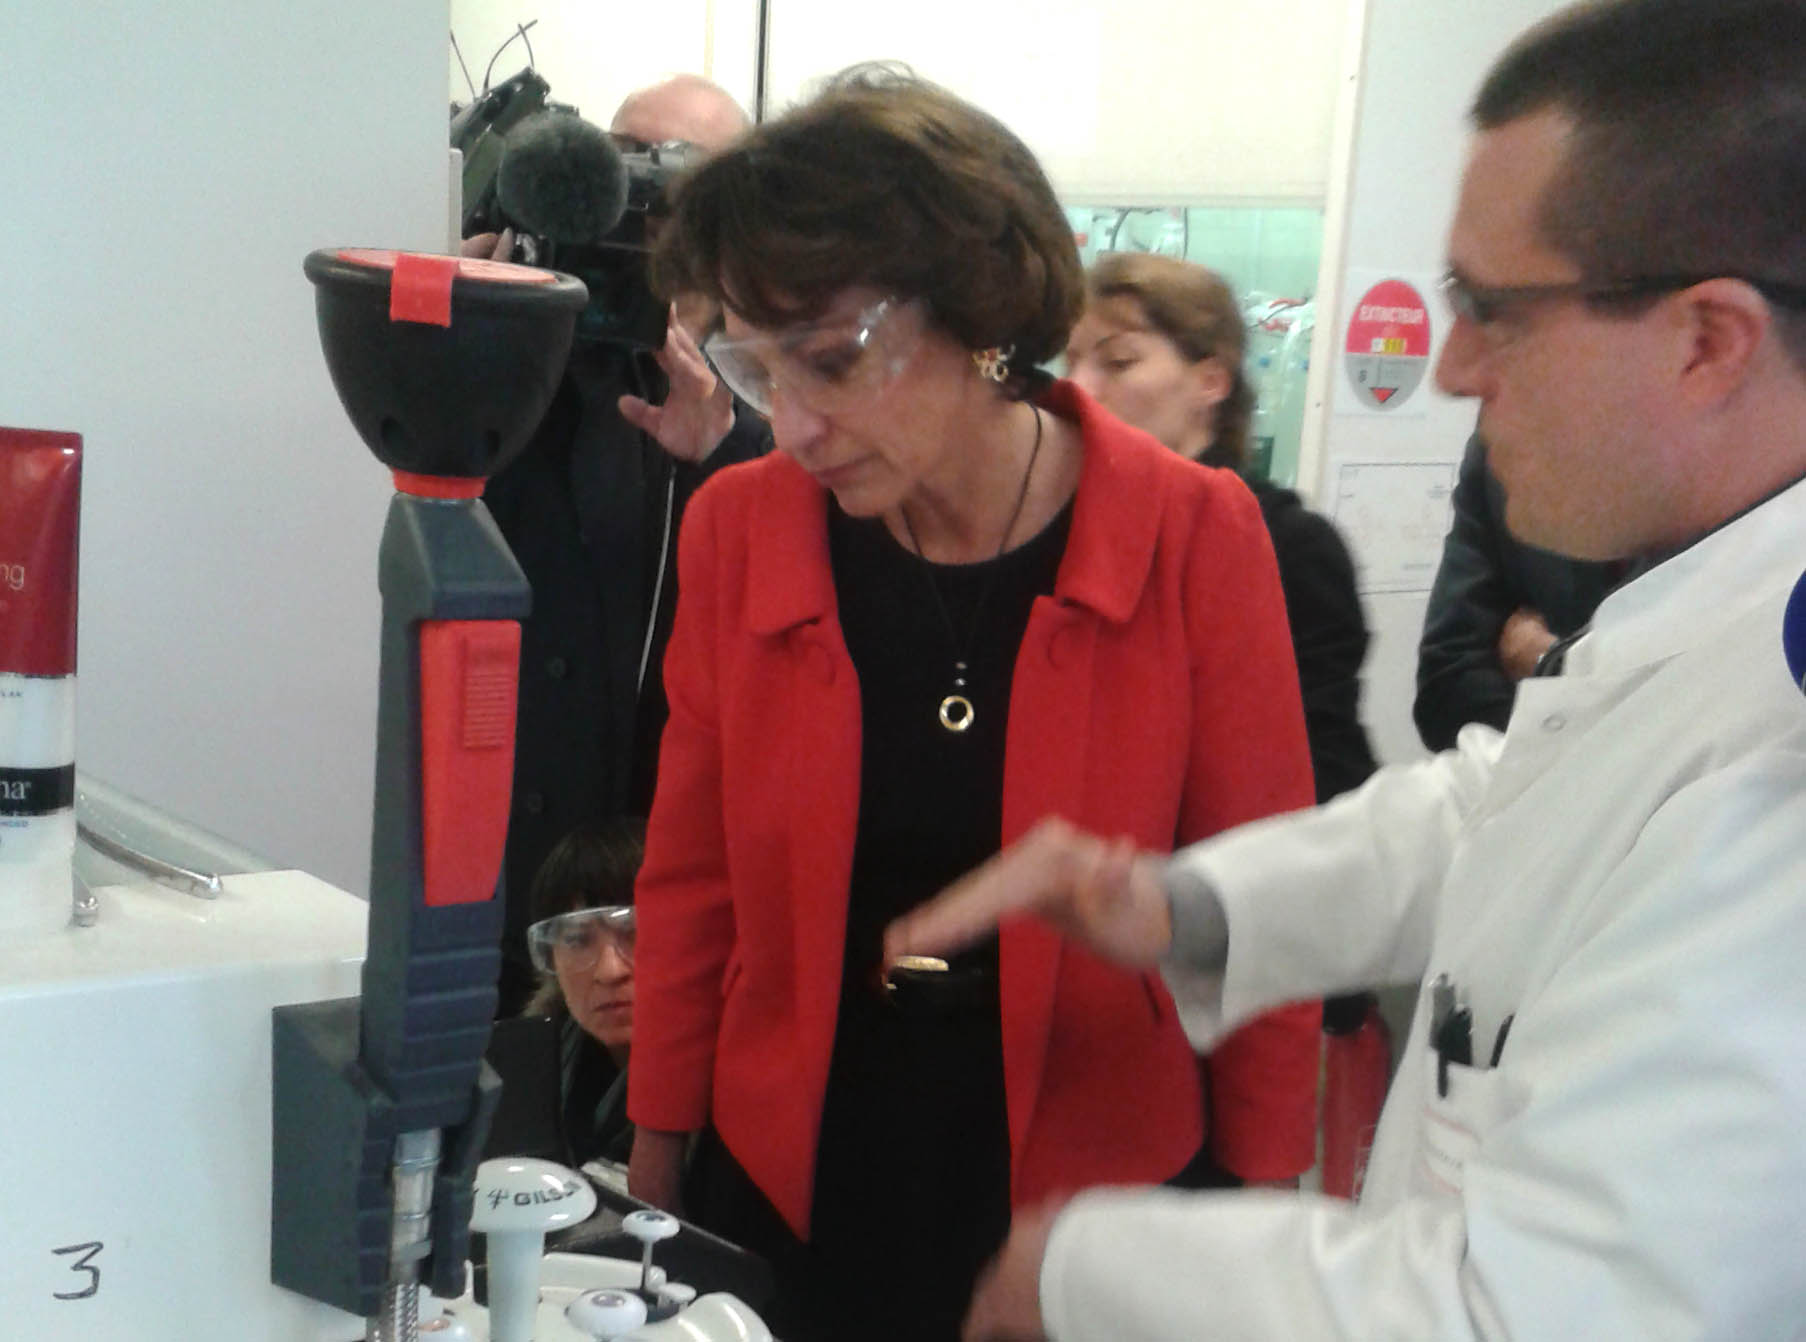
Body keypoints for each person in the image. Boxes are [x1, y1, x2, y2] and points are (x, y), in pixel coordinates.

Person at [886, 2, 1806, 1337]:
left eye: (1493, 311)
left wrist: (1078, 1266)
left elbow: (1533, 1314)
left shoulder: (1781, 755)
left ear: (1707, 340)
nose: (1452, 369)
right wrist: (1180, 906)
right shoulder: (1702, 610)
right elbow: (1503, 803)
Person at [623, 66, 1322, 1341]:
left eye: (831, 361)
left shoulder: (1192, 533)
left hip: (1091, 1190)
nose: (795, 425)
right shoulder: (742, 528)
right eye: (757, 367)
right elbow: (693, 872)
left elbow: (1264, 894)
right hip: (801, 1168)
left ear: (978, 314)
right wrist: (658, 1137)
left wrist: (1267, 1199)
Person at [473, 74, 770, 1015]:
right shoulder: (522, 337)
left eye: (670, 172)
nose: (635, 195)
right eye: (621, 156)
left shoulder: (775, 381)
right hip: (499, 869)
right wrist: (456, 336)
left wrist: (721, 450)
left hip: (658, 889)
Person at [1067, 251, 1378, 802]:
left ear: (1210, 381)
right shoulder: (1073, 530)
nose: (1080, 390)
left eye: (1118, 362)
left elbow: (1316, 774)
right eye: (1069, 363)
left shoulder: (1288, 545)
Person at [1414, 430, 1623, 750]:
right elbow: (1445, 695)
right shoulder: (1500, 450)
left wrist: (1549, 663)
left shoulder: (1696, 474)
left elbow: (1685, 700)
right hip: (1524, 775)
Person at [520, 820, 645, 1170]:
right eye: (577, 940)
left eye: (635, 932)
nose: (609, 970)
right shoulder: (532, 1063)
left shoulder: (729, 1098)